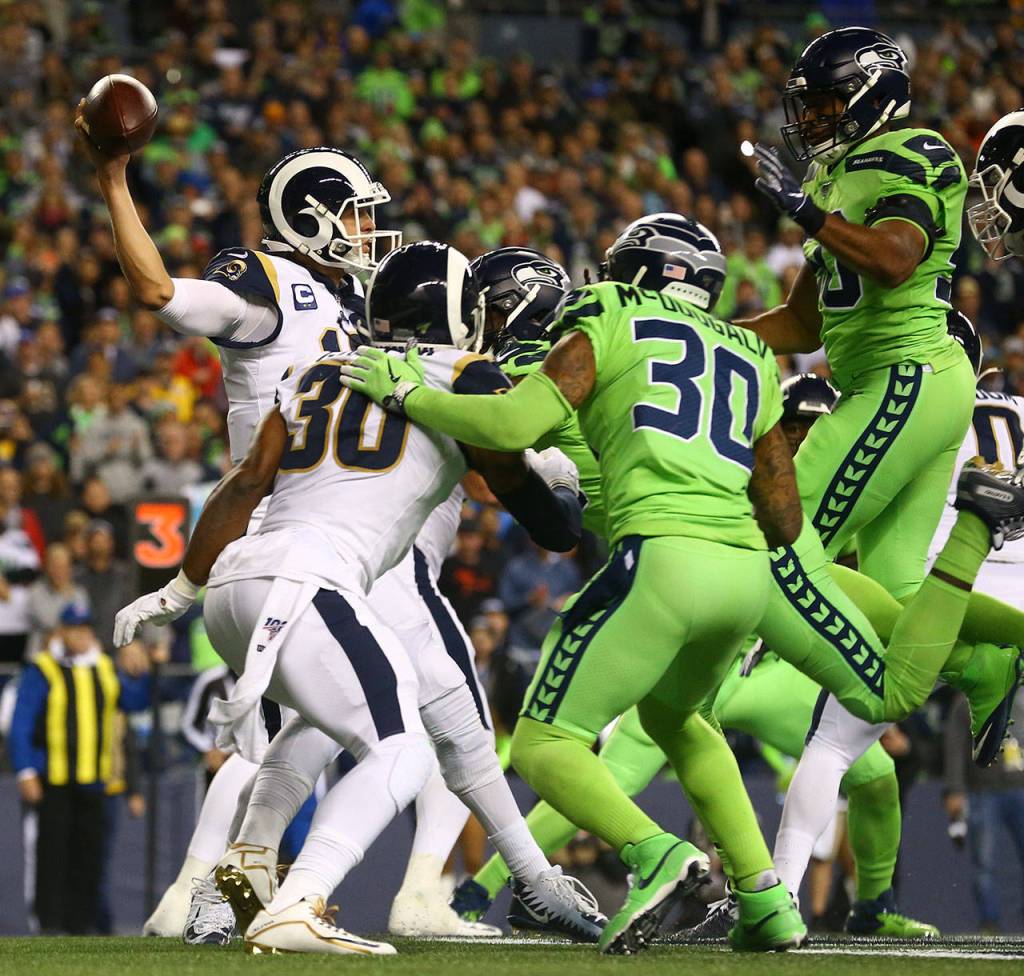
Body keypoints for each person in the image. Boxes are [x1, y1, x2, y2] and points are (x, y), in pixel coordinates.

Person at [343, 212, 1024, 953]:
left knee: (546, 742)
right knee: (727, 708)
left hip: (668, 554)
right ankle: (766, 899)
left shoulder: (589, 324)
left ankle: (655, 854)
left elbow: (504, 435)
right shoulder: (745, 347)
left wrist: (406, 390)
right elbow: (784, 516)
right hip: (758, 557)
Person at [114, 242, 603, 955]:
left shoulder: (314, 370)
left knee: (321, 724)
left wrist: (183, 585)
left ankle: (234, 879)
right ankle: (298, 901)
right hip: (312, 585)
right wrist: (558, 482)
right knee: (402, 751)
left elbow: (246, 482)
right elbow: (550, 527)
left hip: (239, 581)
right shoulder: (465, 376)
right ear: (460, 314)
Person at [458, 374, 936, 942]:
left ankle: (865, 906)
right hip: (711, 633)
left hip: (755, 662)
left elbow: (849, 585)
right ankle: (484, 887)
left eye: (814, 429)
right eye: (793, 427)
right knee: (611, 773)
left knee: (872, 771)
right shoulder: (745, 476)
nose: (803, 439)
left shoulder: (821, 487)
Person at [7, 602, 149, 933]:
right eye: (74, 630)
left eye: (85, 630)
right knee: (52, 855)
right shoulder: (43, 669)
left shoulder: (104, 667)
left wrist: (138, 674)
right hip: (53, 779)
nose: (81, 636)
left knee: (89, 856)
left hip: (95, 780)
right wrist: (25, 770)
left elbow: (134, 702)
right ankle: (49, 924)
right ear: (62, 632)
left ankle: (81, 926)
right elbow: (21, 722)